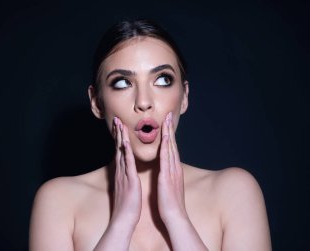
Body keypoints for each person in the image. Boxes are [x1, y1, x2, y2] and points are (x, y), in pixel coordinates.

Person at [29, 19, 271, 251]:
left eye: (163, 79)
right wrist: (121, 222)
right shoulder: (59, 201)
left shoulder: (234, 192)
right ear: (96, 103)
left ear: (184, 96)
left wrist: (177, 218)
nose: (143, 102)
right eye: (123, 83)